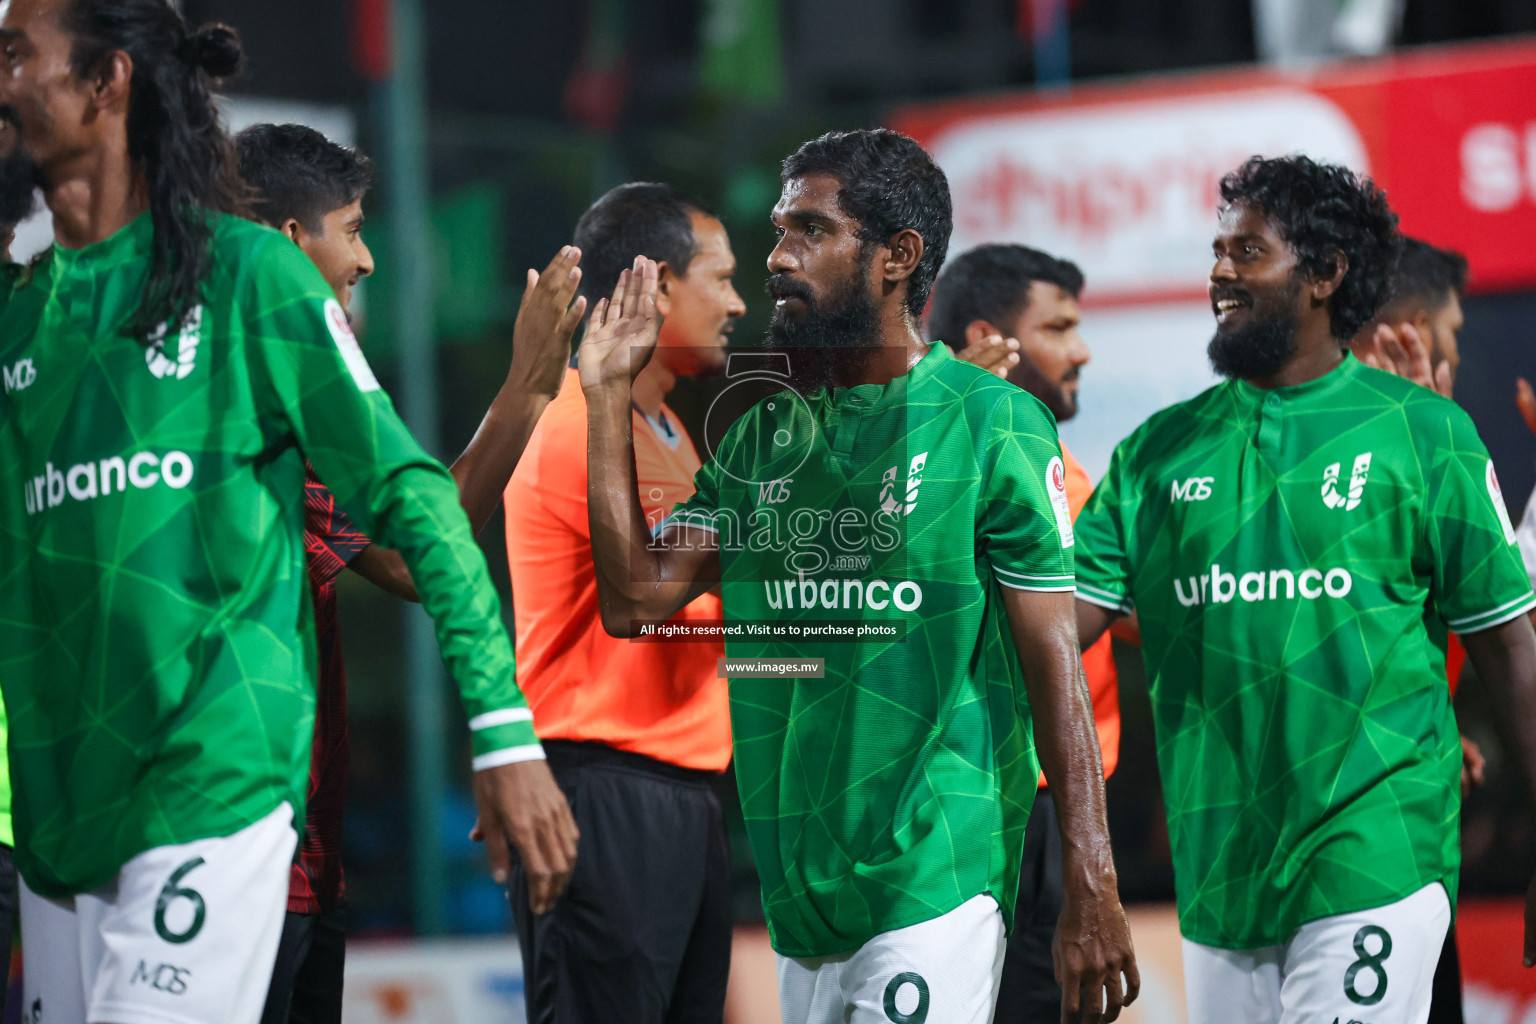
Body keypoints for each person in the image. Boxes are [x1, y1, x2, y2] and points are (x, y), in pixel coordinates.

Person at [0, 5, 577, 1024]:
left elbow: (413, 504)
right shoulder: (21, 320)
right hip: (59, 820)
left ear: (106, 85)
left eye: (12, 56)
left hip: (213, 790)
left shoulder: (248, 277)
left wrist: (501, 730)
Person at [580, 128, 1137, 1024]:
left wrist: (1093, 881)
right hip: (802, 899)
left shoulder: (993, 419)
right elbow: (635, 598)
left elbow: (1053, 659)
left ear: (897, 257)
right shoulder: (766, 434)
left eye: (810, 230)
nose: (777, 257)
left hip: (935, 875)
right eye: (779, 230)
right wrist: (608, 397)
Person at [1072, 154, 1536, 1024]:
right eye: (1217, 250)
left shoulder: (1425, 433)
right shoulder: (1156, 452)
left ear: (1324, 274)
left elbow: (1509, 643)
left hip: (1376, 852)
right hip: (1221, 876)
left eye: (1247, 251)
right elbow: (1057, 632)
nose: (1218, 271)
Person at [233, 123, 590, 1024]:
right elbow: (415, 551)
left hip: (301, 860)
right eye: (351, 229)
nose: (368, 260)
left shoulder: (271, 386)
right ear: (286, 244)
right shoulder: (249, 391)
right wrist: (525, 390)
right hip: (232, 859)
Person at [501, 182, 745, 1024]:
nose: (739, 302)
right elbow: (638, 599)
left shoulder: (671, 432)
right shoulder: (571, 421)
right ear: (659, 284)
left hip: (684, 793)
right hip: (602, 791)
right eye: (721, 277)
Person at [927, 244, 1123, 1022]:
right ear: (996, 338)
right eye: (1060, 327)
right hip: (981, 803)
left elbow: (1132, 618)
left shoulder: (1061, 464)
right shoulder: (925, 444)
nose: (1081, 350)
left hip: (1058, 808)